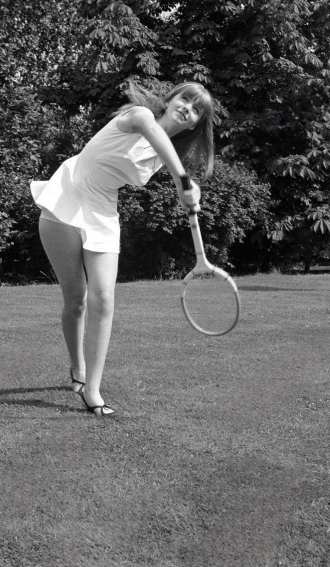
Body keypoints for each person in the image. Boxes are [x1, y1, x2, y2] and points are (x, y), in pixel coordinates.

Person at [30, 80, 215, 416]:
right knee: (76, 300)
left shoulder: (164, 155)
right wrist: (183, 179)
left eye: (197, 110)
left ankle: (93, 392)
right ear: (171, 98)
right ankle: (78, 369)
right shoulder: (139, 115)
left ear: (195, 124)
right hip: (68, 195)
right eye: (186, 99)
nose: (188, 108)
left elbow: (161, 151)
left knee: (104, 299)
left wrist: (187, 183)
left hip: (102, 210)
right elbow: (151, 131)